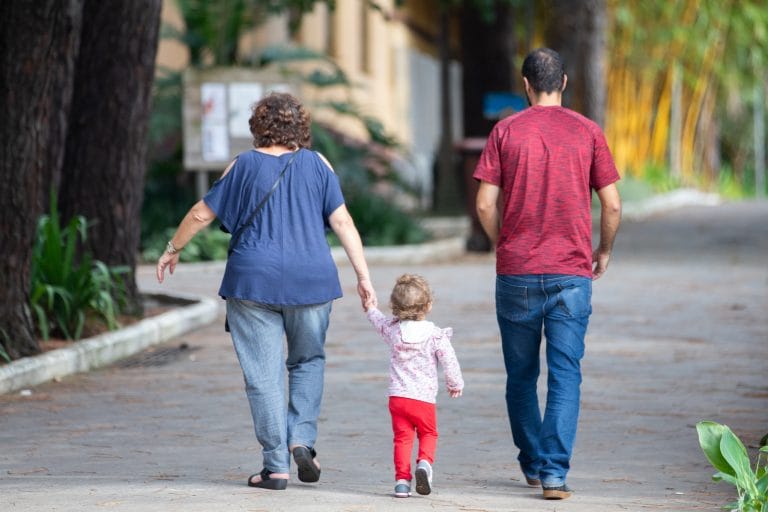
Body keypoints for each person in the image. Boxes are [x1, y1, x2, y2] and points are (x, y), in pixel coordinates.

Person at [156, 92, 378, 490]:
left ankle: (275, 466)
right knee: (308, 361)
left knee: (264, 375)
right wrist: (363, 277)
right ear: (301, 127)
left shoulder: (242, 165)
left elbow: (200, 213)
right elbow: (343, 223)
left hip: (252, 281)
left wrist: (173, 249)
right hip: (312, 281)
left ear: (257, 127)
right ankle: (301, 440)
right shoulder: (318, 164)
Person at [473, 48, 622, 500]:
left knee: (520, 377)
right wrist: (604, 250)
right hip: (571, 275)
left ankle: (533, 464)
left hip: (516, 272)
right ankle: (554, 473)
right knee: (565, 375)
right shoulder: (588, 132)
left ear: (525, 85)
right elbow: (612, 204)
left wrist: (506, 243)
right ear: (565, 82)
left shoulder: (505, 131)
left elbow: (483, 203)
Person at [365, 274, 464, 498]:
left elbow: (378, 321)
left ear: (395, 307)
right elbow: (450, 361)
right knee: (429, 433)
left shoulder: (394, 331)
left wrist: (370, 307)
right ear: (428, 305)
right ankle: (424, 464)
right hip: (423, 399)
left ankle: (401, 482)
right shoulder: (435, 336)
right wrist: (455, 384)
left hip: (398, 398)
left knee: (403, 438)